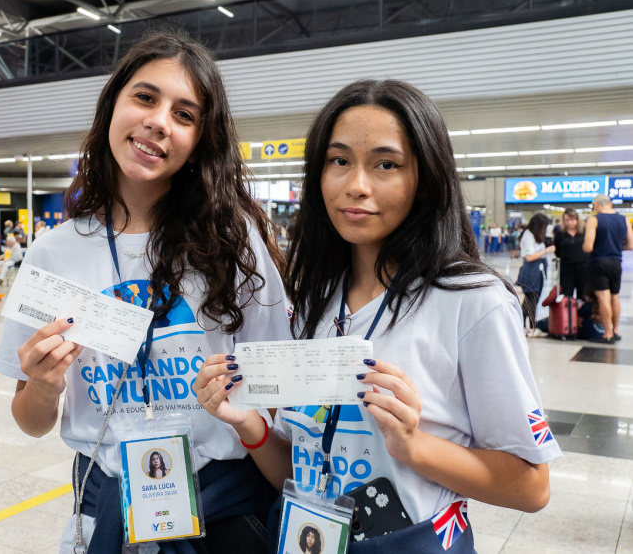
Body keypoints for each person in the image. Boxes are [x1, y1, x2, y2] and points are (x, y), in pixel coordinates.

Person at [196, 80, 558, 553]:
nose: (357, 185)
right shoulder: (315, 301)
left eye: (386, 164)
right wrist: (250, 426)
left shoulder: (473, 303)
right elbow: (297, 472)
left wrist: (414, 446)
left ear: (424, 180)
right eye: (339, 161)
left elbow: (532, 486)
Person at [0, 29, 292, 554]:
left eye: (184, 114)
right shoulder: (54, 253)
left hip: (228, 511)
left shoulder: (233, 241)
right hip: (109, 508)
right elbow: (31, 421)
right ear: (113, 104)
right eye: (146, 97)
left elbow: (277, 389)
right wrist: (42, 385)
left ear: (200, 141)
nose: (159, 121)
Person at [583, 194, 633, 343]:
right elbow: (630, 245)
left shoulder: (594, 220)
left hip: (599, 262)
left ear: (596, 205)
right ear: (610, 203)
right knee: (615, 296)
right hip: (616, 262)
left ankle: (607, 333)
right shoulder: (624, 219)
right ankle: (616, 330)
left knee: (603, 297)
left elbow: (588, 247)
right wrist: (615, 248)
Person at [517, 214, 554, 334]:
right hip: (530, 270)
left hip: (538, 270)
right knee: (532, 298)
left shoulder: (534, 236)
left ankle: (526, 325)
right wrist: (546, 250)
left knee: (532, 299)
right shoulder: (528, 235)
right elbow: (529, 257)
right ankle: (529, 326)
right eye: (543, 227)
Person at [553, 208, 587, 298]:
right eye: (567, 220)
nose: (569, 223)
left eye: (572, 220)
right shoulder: (560, 234)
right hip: (566, 269)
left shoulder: (584, 232)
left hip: (583, 268)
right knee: (566, 296)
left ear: (577, 219)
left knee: (583, 296)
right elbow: (557, 250)